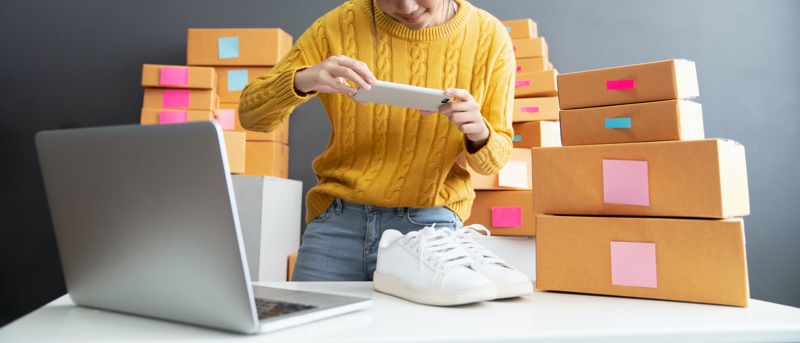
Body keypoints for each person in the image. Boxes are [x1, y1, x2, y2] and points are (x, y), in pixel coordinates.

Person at [238, 0, 515, 281]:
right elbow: (251, 115)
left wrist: (479, 132)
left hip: (431, 232)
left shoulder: (489, 37)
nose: (407, 6)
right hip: (337, 223)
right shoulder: (337, 26)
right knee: (306, 324)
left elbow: (494, 162)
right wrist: (302, 80)